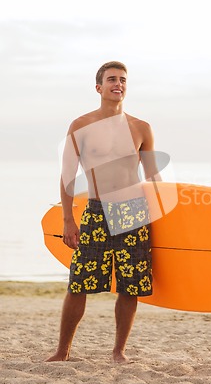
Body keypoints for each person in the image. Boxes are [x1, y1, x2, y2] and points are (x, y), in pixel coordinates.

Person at [46, 61, 161, 363]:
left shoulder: (141, 128)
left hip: (133, 211)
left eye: (123, 79)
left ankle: (118, 351)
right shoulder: (81, 126)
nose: (118, 84)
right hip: (96, 211)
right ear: (99, 87)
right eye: (111, 79)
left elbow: (153, 179)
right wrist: (68, 219)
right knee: (79, 282)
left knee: (130, 284)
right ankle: (62, 351)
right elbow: (67, 177)